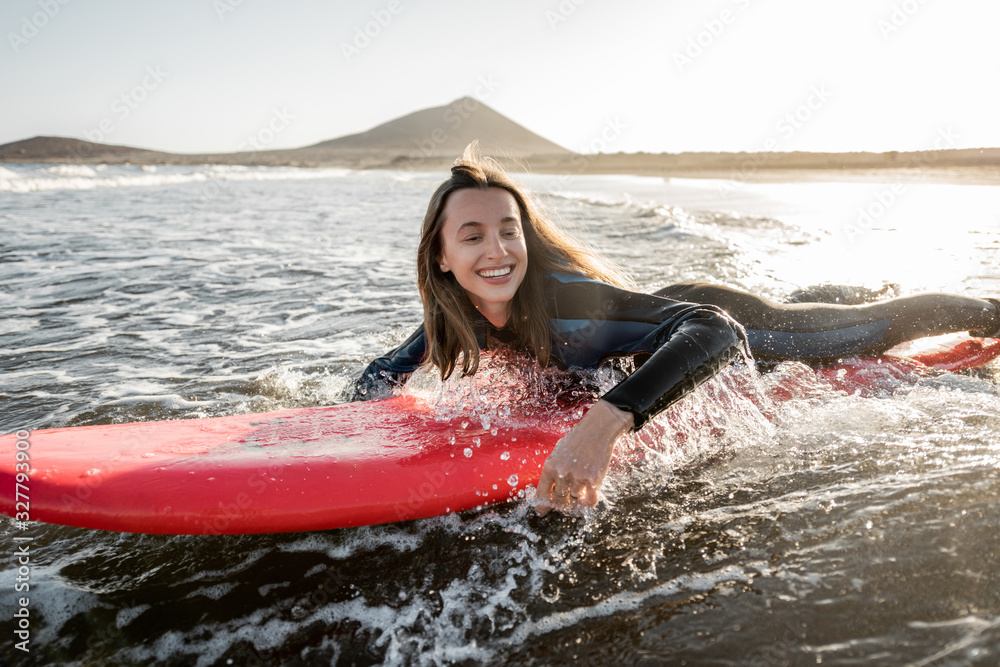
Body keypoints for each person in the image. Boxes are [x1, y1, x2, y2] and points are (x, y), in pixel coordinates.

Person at [353, 144, 1000, 514]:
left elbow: (715, 330)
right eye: (473, 236)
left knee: (856, 333)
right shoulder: (453, 321)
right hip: (662, 318)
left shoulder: (569, 307)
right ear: (442, 257)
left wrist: (605, 422)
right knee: (818, 310)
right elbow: (381, 374)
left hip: (708, 321)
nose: (497, 250)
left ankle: (986, 306)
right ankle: (837, 291)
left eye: (509, 229)